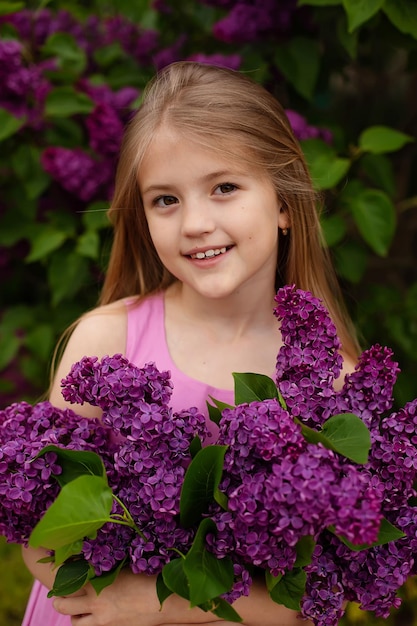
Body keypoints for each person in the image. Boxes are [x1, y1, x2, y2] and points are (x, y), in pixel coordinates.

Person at [21, 61, 360, 626]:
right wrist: (101, 601)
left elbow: (317, 597)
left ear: (282, 202)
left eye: (224, 187)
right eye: (165, 200)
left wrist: (157, 606)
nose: (195, 222)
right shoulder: (108, 341)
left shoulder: (333, 383)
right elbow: (36, 519)